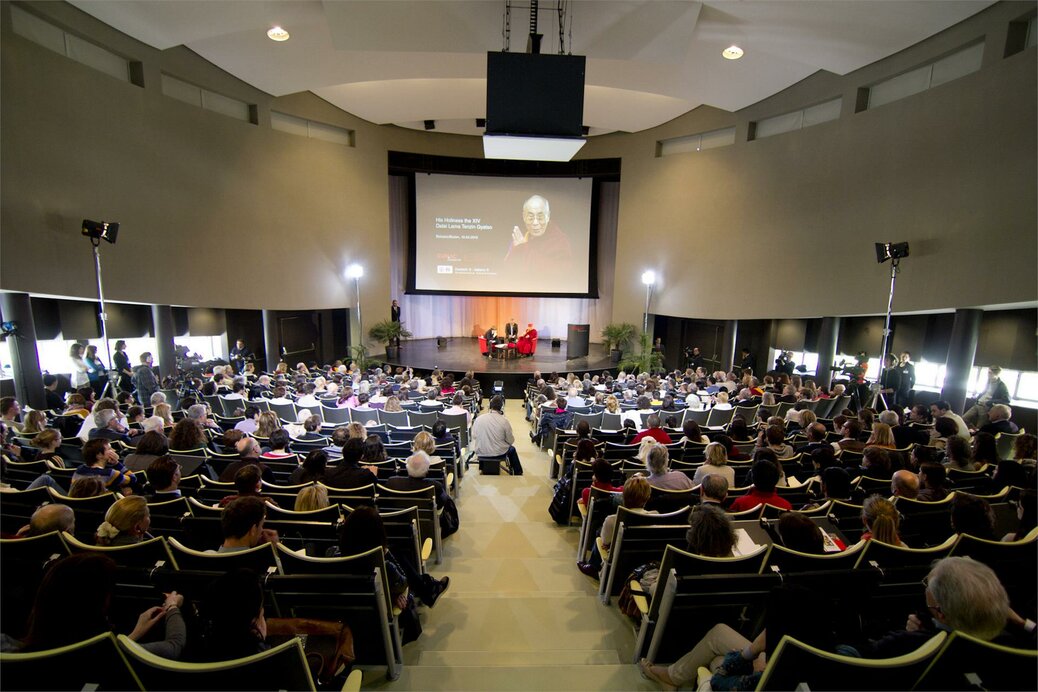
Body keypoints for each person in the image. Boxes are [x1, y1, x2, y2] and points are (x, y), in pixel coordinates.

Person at [18, 553, 186, 658]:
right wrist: (172, 606)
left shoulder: (14, 649)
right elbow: (174, 646)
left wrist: (132, 636)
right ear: (98, 604)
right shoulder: (103, 656)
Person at [505, 194, 571, 263]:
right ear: (524, 217)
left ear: (548, 216)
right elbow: (507, 266)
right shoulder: (521, 237)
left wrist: (523, 248)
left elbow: (558, 268)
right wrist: (517, 248)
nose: (535, 223)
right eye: (530, 218)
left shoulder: (560, 241)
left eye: (540, 218)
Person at [469, 395, 523, 475]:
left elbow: (474, 436)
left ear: (489, 406)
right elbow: (511, 441)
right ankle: (518, 472)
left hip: (481, 452)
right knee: (512, 449)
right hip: (499, 453)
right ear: (501, 408)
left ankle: (482, 466)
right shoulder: (504, 421)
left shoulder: (479, 419)